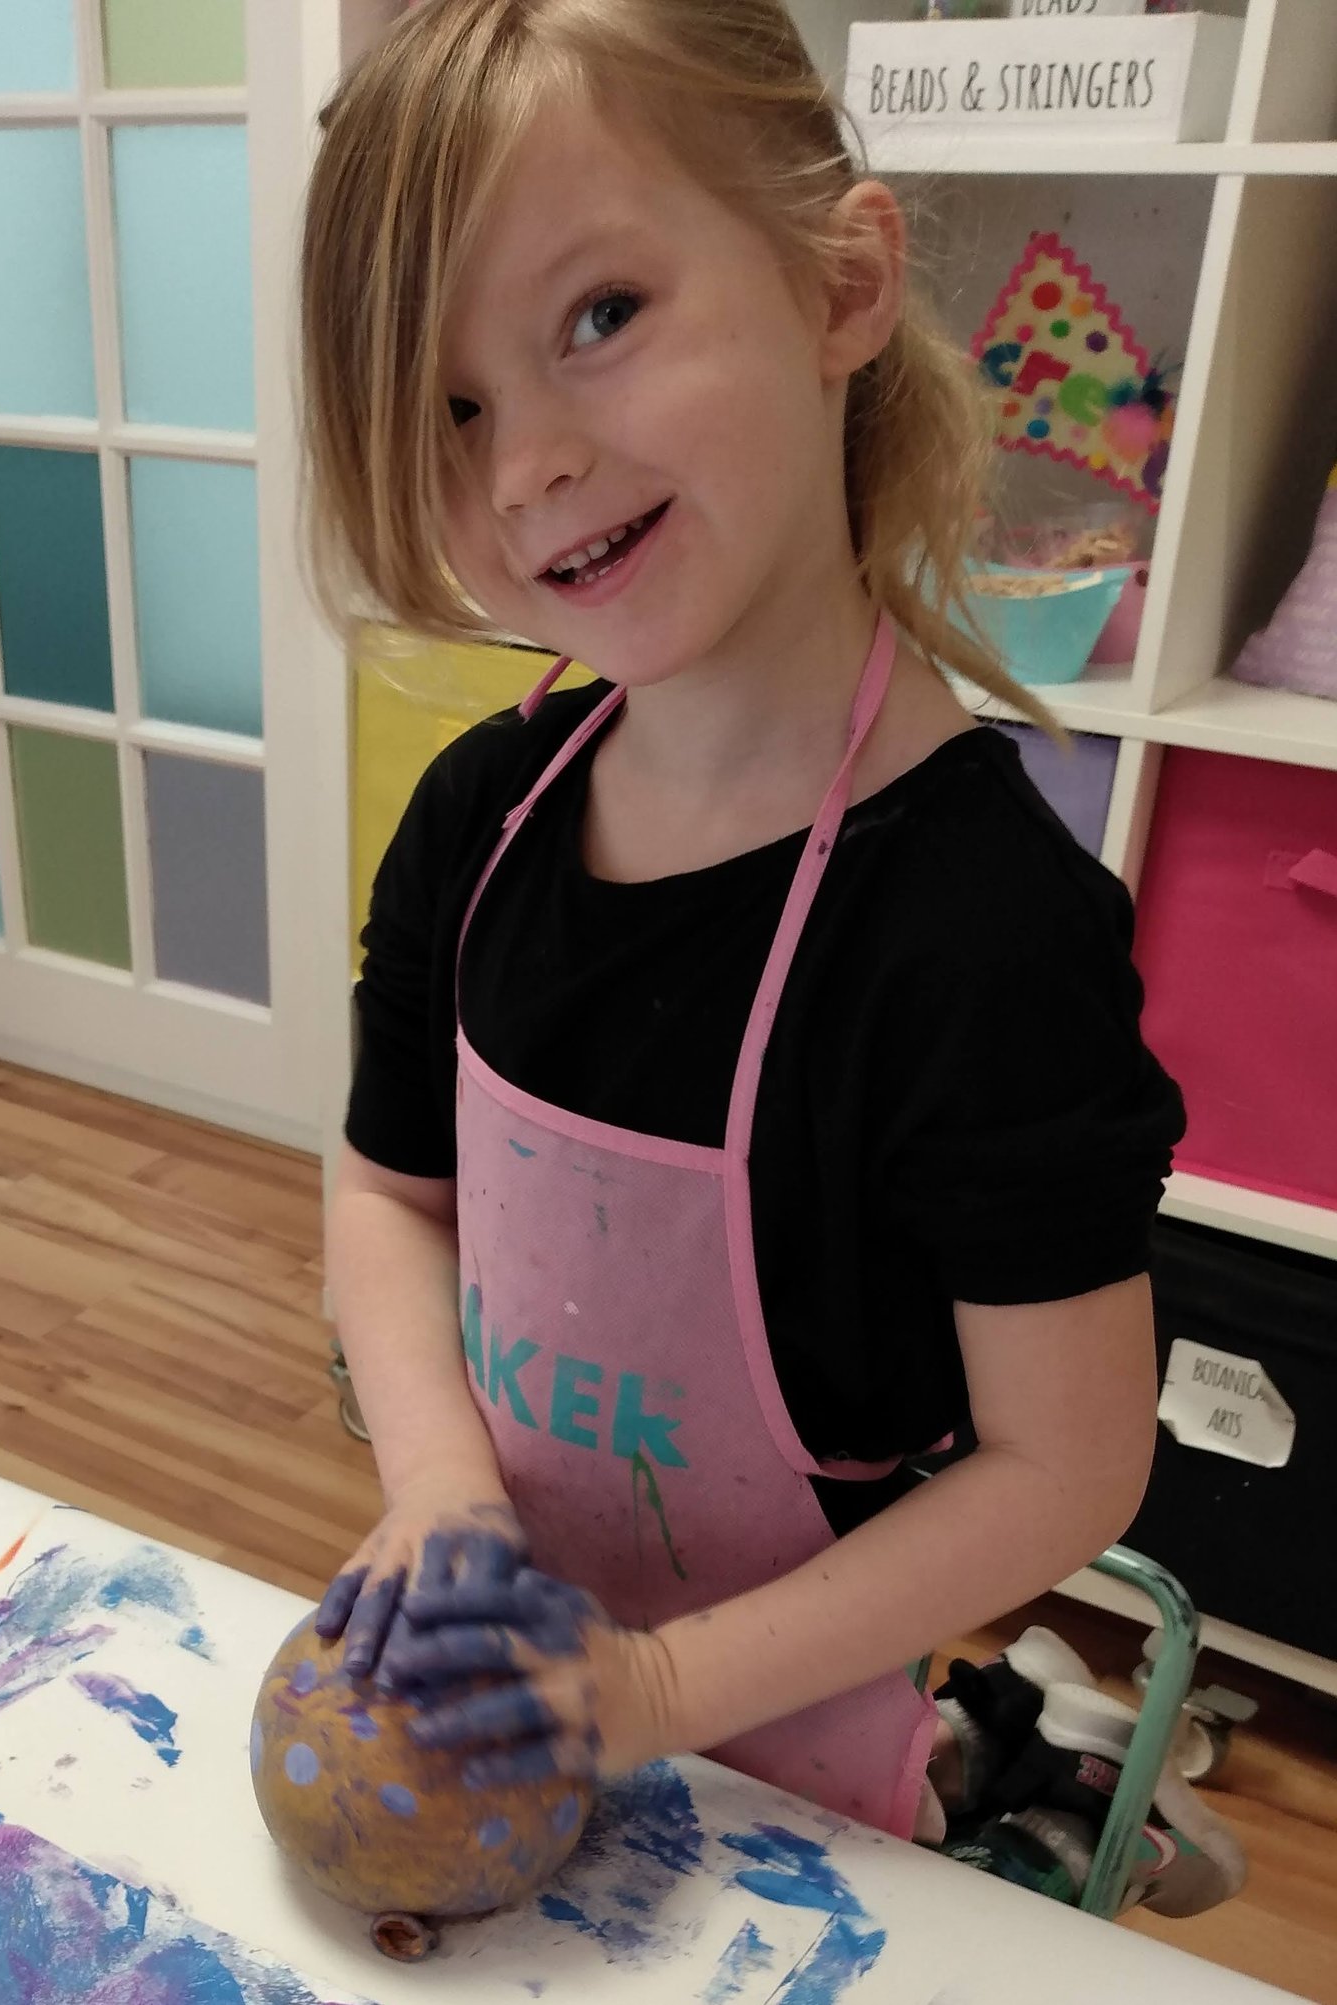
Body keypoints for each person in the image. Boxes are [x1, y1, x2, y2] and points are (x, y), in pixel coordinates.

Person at [301, 0, 1184, 1845]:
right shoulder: (481, 820)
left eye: (601, 316)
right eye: (452, 406)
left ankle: (1015, 1759)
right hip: (520, 1692)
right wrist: (440, 1485)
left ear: (840, 285)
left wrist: (657, 1693)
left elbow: (1070, 1460)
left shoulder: (982, 934)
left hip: (798, 1757)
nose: (525, 465)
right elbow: (388, 1194)